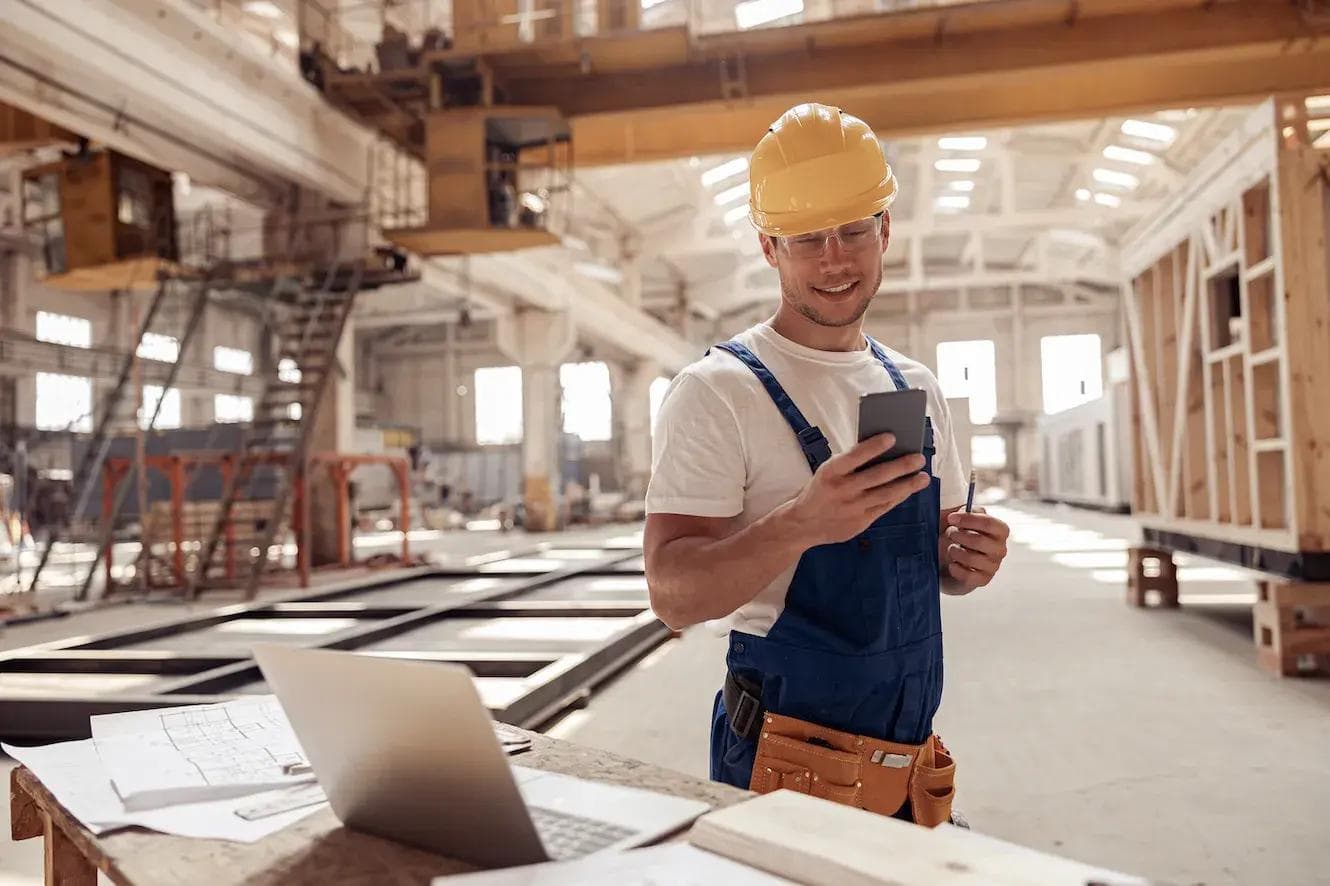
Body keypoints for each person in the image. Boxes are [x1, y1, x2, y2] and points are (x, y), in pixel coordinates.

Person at [644, 103, 1011, 828]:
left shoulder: (914, 387)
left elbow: (927, 567)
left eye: (851, 232)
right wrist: (801, 525)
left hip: (908, 762)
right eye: (807, 239)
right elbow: (672, 598)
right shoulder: (718, 392)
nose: (835, 260)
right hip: (783, 765)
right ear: (768, 248)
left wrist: (962, 562)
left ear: (885, 230)